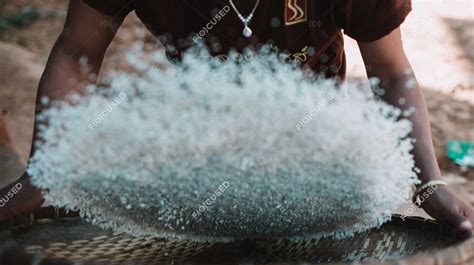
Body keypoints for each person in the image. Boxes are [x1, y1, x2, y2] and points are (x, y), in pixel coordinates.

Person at [0, 0, 472, 236]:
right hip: (199, 161)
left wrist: (428, 183)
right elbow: (78, 50)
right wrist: (47, 171)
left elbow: (390, 73)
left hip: (318, 162)